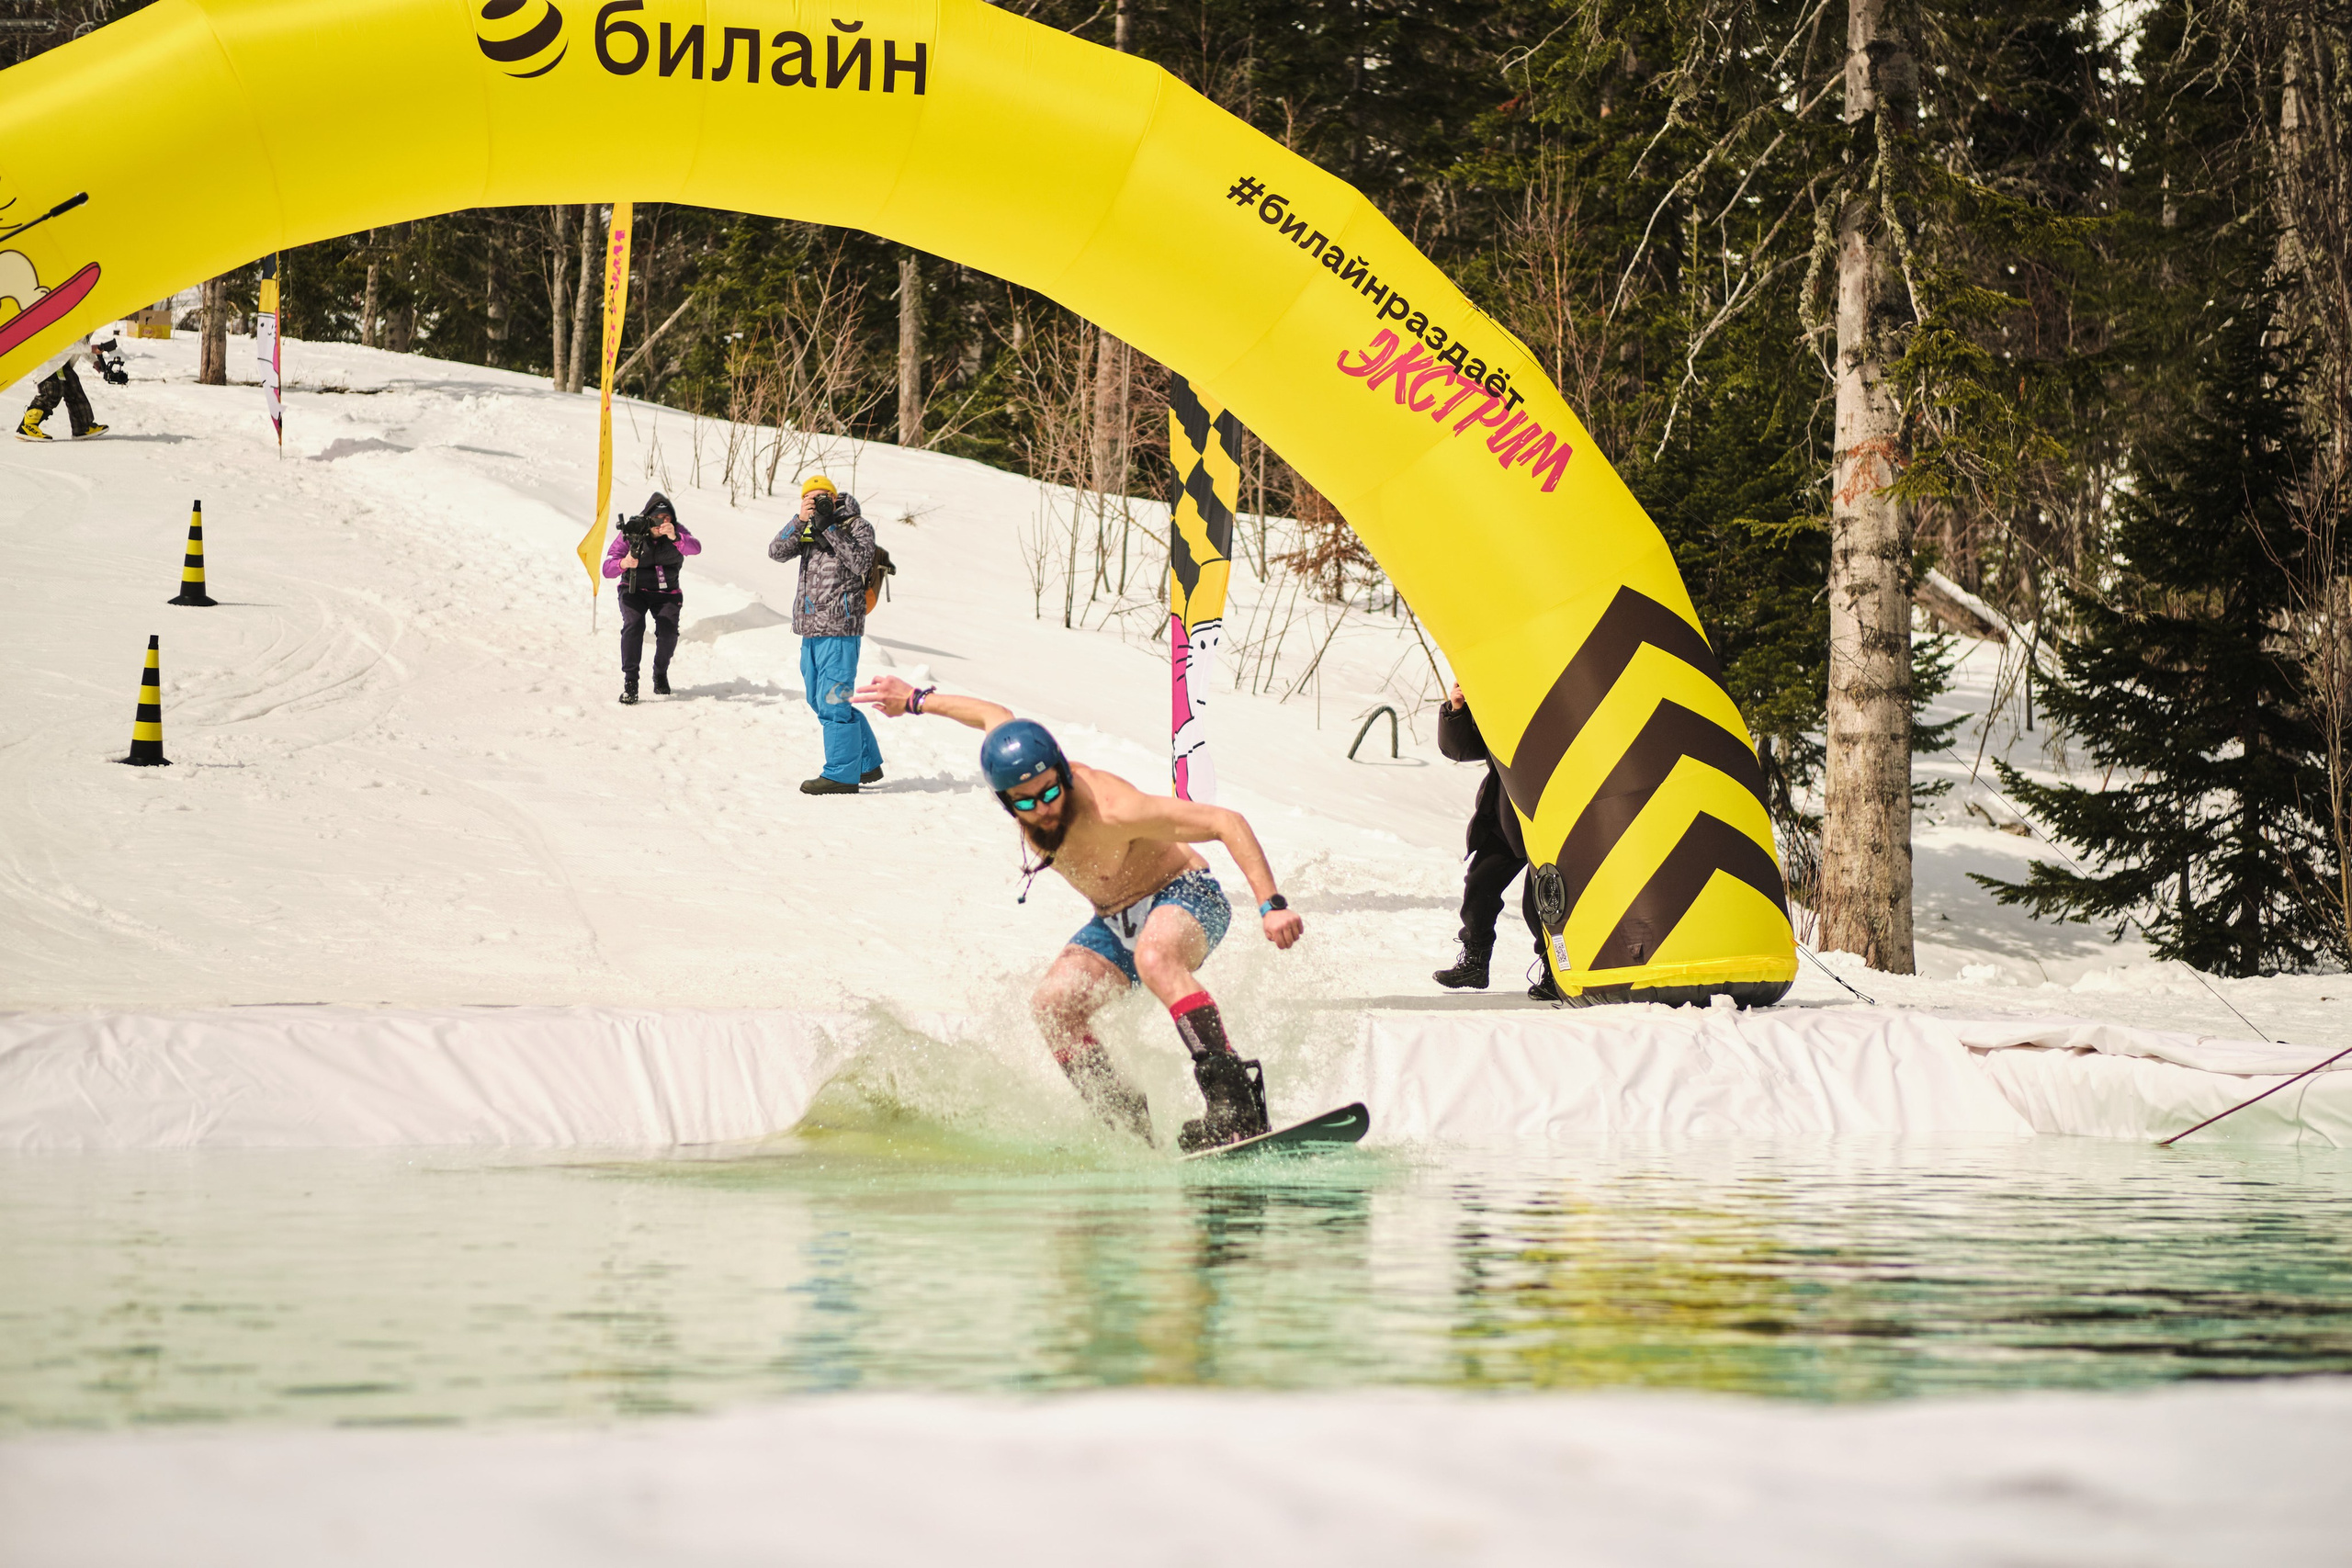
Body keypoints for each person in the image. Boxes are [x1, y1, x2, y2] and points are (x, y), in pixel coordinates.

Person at [853, 674, 1306, 1151]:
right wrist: (916, 701)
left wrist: (1271, 905)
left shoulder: (1113, 809)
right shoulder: (1020, 767)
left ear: (1063, 774)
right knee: (1053, 1006)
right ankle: (1128, 1129)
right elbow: (994, 717)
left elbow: (1225, 822)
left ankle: (1236, 1105)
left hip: (1188, 895)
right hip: (1115, 919)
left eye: (1051, 792)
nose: (1044, 809)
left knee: (1155, 958)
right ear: (1006, 801)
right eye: (1026, 803)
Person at [1434, 682, 1558, 1000]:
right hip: (1507, 809)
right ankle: (1475, 964)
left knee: (1542, 900)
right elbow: (1462, 749)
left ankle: (1557, 972)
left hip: (1554, 810)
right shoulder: (1498, 688)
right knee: (1480, 883)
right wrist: (1458, 710)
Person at [772, 475, 883, 795]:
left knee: (834, 701)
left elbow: (861, 561)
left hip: (840, 626)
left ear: (835, 499)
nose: (819, 502)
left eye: (824, 497)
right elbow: (776, 552)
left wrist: (828, 526)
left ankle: (840, 775)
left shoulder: (856, 525)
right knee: (817, 698)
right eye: (811, 497)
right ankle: (865, 762)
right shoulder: (805, 526)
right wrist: (801, 520)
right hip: (810, 628)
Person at [604, 491, 699, 705]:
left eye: (668, 519)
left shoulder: (678, 532)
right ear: (648, 518)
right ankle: (631, 683)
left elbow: (695, 548)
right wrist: (623, 563)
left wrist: (676, 537)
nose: (662, 523)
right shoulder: (632, 531)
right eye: (657, 518)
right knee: (633, 625)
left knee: (668, 633)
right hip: (634, 588)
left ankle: (660, 672)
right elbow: (607, 568)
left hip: (667, 593)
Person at [16, 333, 122, 441]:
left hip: (63, 364)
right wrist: (90, 348)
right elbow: (62, 343)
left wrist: (94, 360)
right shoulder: (70, 320)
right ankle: (27, 425)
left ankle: (82, 428)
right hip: (51, 362)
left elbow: (81, 344)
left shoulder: (87, 323)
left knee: (74, 391)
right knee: (52, 391)